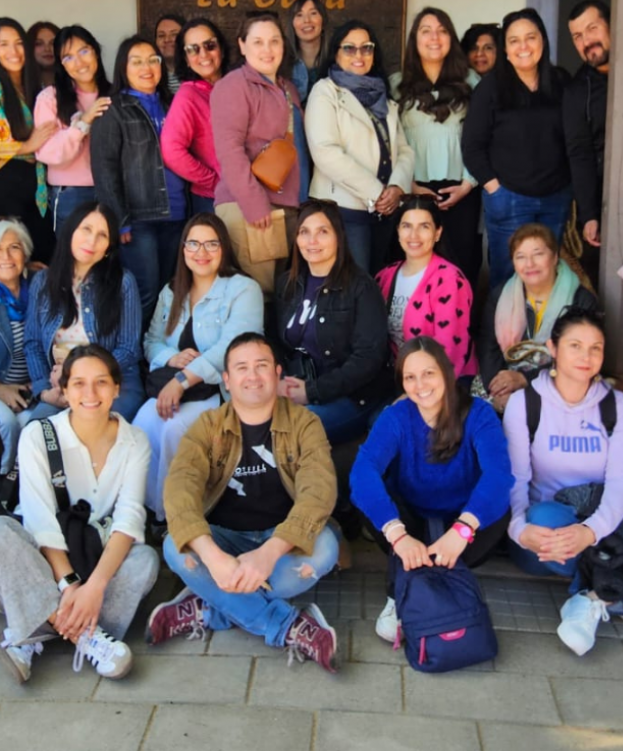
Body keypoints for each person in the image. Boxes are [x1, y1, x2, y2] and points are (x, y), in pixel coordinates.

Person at [145, 333, 340, 673]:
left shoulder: (305, 424)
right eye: (242, 368)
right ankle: (290, 626)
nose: (252, 376)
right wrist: (212, 557)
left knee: (325, 550)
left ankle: (210, 606)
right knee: (177, 550)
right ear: (227, 379)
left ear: (278, 373)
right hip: (224, 538)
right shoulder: (207, 426)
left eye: (262, 366)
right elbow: (179, 488)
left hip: (281, 543)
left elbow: (318, 493)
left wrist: (268, 554)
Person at [0, 344, 159, 684]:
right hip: (43, 555)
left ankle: (34, 624)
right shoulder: (38, 435)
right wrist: (72, 585)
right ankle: (85, 635)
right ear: (65, 390)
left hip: (93, 548)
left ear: (117, 388)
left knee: (145, 561)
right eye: (79, 383)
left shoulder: (135, 441)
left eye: (101, 382)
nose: (90, 393)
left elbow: (129, 519)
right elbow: (40, 522)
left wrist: (94, 588)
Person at [350, 337, 513, 643]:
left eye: (428, 373)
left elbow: (499, 475)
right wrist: (398, 536)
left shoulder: (479, 413)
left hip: (463, 526)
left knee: (500, 506)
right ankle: (407, 585)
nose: (420, 384)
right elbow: (363, 470)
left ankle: (411, 583)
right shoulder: (397, 416)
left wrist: (462, 530)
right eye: (410, 377)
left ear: (446, 373)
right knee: (369, 498)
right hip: (410, 520)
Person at [503, 307, 623, 655]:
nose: (586, 356)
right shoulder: (525, 403)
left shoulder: (617, 406)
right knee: (545, 517)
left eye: (596, 348)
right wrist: (519, 529)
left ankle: (591, 598)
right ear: (553, 348)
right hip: (546, 537)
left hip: (602, 529)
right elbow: (515, 479)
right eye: (575, 345)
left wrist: (590, 532)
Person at [134, 213, 264, 523]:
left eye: (210, 244)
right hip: (177, 385)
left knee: (175, 429)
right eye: (193, 244)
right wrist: (171, 357)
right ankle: (145, 510)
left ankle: (174, 515)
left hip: (219, 389)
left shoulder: (243, 289)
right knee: (142, 423)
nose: (201, 252)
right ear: (182, 249)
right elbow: (151, 341)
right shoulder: (172, 291)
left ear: (224, 249)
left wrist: (181, 380)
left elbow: (233, 349)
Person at [462, 8, 572, 288]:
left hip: (555, 199)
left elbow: (575, 140)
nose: (523, 46)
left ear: (543, 42)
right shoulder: (490, 88)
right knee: (508, 279)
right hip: (508, 198)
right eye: (514, 40)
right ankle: (506, 334)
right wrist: (493, 187)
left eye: (530, 37)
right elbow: (472, 146)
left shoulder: (561, 83)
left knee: (547, 277)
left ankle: (540, 333)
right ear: (506, 50)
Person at [273, 200, 390, 446]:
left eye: (322, 232)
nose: (312, 241)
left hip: (351, 396)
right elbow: (275, 341)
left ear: (339, 236)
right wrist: (279, 379)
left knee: (293, 432)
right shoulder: (287, 283)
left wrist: (312, 391)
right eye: (304, 232)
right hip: (296, 383)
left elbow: (368, 359)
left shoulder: (361, 287)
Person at [90, 34, 187, 326]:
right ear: (124, 68)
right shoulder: (113, 109)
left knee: (170, 292)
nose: (147, 67)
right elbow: (104, 168)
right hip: (139, 218)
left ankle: (160, 356)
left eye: (153, 60)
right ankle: (136, 362)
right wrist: (119, 219)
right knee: (145, 293)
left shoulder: (174, 103)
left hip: (179, 213)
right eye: (137, 62)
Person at [305, 18, 414, 274]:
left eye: (366, 47)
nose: (359, 54)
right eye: (349, 48)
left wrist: (397, 187)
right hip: (344, 212)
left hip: (385, 212)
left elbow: (404, 150)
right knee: (353, 287)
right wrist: (377, 193)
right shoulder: (325, 91)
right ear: (336, 53)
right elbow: (325, 152)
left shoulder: (383, 96)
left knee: (379, 283)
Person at [24, 203, 144, 422]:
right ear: (71, 231)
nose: (92, 241)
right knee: (36, 432)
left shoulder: (122, 282)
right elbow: (32, 343)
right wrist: (44, 392)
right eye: (86, 229)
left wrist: (77, 375)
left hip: (114, 382)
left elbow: (128, 349)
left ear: (109, 247)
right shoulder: (42, 282)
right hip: (58, 384)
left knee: (86, 427)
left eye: (102, 235)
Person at [211, 12, 301, 294]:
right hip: (250, 207)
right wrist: (253, 203)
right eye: (258, 41)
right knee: (258, 296)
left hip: (285, 206)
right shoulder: (234, 85)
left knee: (282, 294)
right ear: (242, 45)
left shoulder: (288, 89)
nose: (267, 49)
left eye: (274, 41)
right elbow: (230, 149)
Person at [393, 7, 481, 285]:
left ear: (451, 39)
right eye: (426, 30)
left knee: (461, 268)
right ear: (414, 39)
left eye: (442, 30)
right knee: (414, 268)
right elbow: (390, 142)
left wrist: (468, 184)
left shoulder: (471, 82)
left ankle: (458, 328)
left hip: (461, 191)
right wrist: (409, 185)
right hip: (413, 191)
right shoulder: (395, 84)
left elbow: (483, 137)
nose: (434, 37)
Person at [477, 223, 597, 412]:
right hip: (506, 379)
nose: (529, 264)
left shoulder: (581, 301)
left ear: (555, 257)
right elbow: (487, 345)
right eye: (521, 257)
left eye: (538, 254)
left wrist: (525, 379)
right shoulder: (501, 296)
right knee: (477, 409)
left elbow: (581, 357)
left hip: (559, 380)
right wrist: (498, 387)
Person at [376, 197, 477, 380]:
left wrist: (418, 389)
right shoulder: (384, 277)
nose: (414, 235)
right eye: (407, 226)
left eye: (424, 226)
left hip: (440, 384)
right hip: (396, 379)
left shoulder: (450, 280)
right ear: (398, 230)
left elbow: (450, 352)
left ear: (437, 233)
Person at [34, 25, 112, 232]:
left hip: (112, 191)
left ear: (95, 50)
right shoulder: (50, 98)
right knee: (73, 261)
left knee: (112, 260)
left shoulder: (114, 94)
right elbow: (48, 153)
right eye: (68, 57)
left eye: (84, 51)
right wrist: (82, 123)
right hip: (71, 194)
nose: (79, 62)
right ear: (62, 65)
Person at [0, 18, 57, 264]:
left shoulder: (34, 88)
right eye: (3, 44)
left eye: (18, 43)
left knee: (42, 261)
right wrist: (27, 146)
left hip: (38, 185)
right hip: (6, 188)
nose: (13, 52)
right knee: (13, 262)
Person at [160, 17, 226, 214]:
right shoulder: (188, 95)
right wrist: (213, 181)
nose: (203, 54)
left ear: (221, 47)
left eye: (210, 45)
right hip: (213, 200)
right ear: (186, 59)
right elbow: (171, 151)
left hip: (253, 193)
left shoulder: (237, 84)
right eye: (192, 49)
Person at [563, 0, 610, 254]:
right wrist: (590, 214)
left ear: (612, 25)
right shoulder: (576, 91)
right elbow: (580, 154)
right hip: (610, 193)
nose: (587, 41)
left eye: (592, 28)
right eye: (578, 36)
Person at [0, 219, 37, 474]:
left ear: (25, 252)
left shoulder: (40, 287)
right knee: (7, 423)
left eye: (14, 247)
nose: (6, 257)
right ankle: (5, 487)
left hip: (33, 387)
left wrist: (43, 381)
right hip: (3, 388)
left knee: (32, 423)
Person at [287, 0, 329, 105]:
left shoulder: (336, 60)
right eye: (299, 15)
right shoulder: (283, 64)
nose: (306, 20)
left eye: (313, 13)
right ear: (292, 24)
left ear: (323, 20)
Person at [154, 12, 185, 94]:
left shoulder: (198, 72)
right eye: (161, 35)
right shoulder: (150, 76)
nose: (167, 39)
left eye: (174, 34)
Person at [26, 20, 60, 90]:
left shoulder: (73, 84)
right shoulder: (22, 86)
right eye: (39, 44)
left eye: (53, 43)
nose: (47, 49)